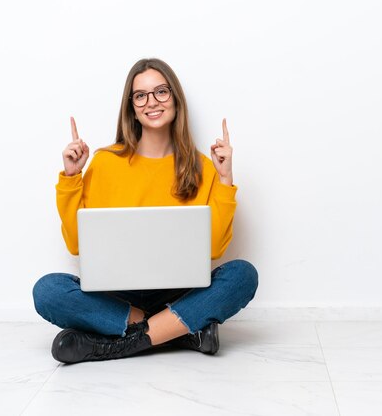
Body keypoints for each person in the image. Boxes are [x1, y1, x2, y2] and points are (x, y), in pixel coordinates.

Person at [32, 58, 258, 364]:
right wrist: (71, 178)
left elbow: (215, 247)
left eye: (161, 92)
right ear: (132, 107)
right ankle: (178, 329)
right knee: (48, 290)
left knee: (243, 276)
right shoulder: (105, 163)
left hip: (178, 292)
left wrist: (225, 180)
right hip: (118, 296)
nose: (152, 102)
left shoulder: (202, 166)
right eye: (141, 95)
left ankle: (121, 343)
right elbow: (76, 245)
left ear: (176, 99)